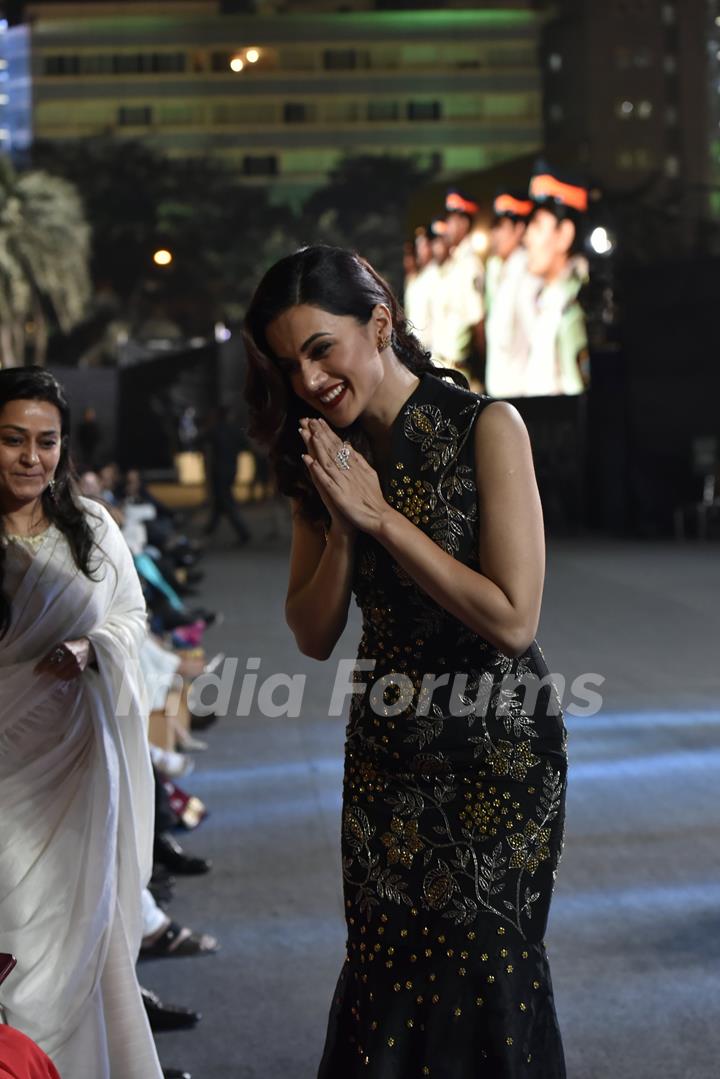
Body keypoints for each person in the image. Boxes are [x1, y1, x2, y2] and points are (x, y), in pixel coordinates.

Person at [244, 246, 568, 1077]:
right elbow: (312, 633)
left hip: (498, 758)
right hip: (388, 752)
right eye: (290, 364)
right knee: (387, 972)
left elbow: (513, 618)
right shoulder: (317, 454)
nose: (309, 380)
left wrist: (384, 518)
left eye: (322, 349)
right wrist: (344, 528)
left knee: (485, 969)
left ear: (380, 324)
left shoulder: (485, 426)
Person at [0, 368, 162, 1078]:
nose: (31, 457)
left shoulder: (90, 527)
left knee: (84, 921)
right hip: (6, 770)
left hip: (78, 759)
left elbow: (131, 616)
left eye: (46, 441)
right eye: (11, 440)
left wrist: (92, 647)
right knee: (18, 922)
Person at [484, 190, 537, 400]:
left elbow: (536, 339)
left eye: (501, 227)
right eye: (493, 228)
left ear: (519, 229)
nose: (494, 235)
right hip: (501, 390)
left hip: (522, 393)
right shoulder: (500, 270)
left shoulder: (527, 272)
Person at [432, 189, 486, 382]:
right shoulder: (453, 263)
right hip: (443, 367)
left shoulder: (470, 265)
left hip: (459, 370)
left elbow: (477, 322)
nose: (447, 227)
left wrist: (482, 370)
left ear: (464, 223)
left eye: (452, 221)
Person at [201, 405, 251, 545]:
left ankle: (243, 532)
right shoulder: (234, 430)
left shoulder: (214, 430)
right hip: (231, 469)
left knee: (225, 500)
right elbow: (245, 445)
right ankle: (210, 529)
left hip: (218, 470)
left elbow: (201, 441)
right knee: (221, 500)